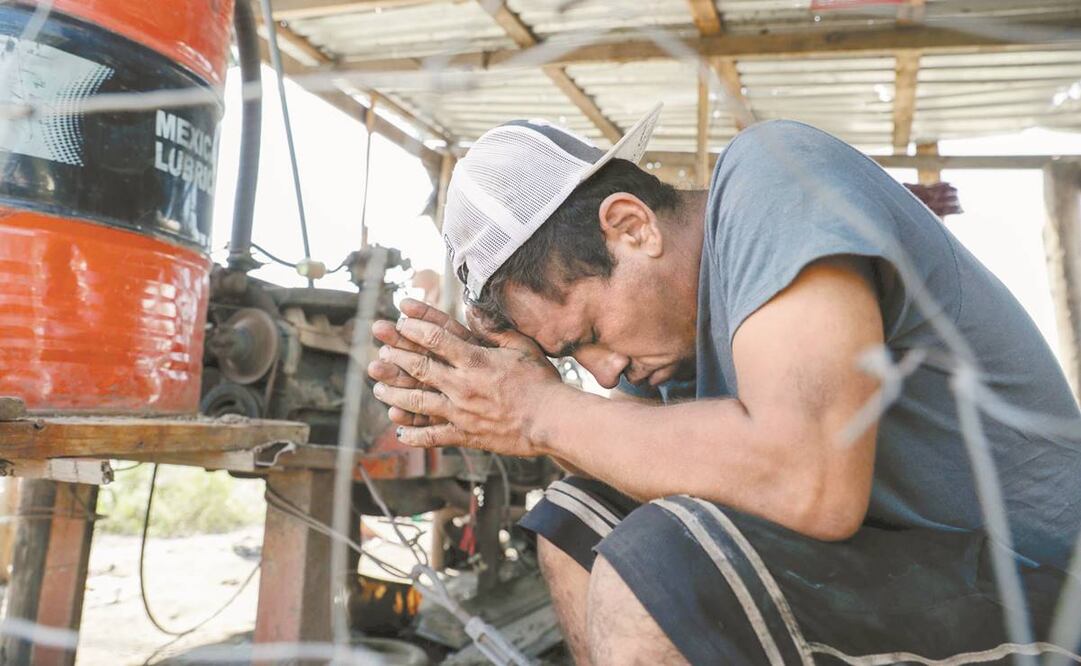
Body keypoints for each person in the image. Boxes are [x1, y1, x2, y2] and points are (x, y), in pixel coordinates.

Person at [367, 106, 1081, 664]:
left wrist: (539, 412)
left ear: (630, 226)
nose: (605, 371)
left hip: (1037, 584)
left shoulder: (776, 176)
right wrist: (506, 393)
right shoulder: (662, 349)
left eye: (588, 334)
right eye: (574, 358)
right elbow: (617, 454)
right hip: (908, 572)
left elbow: (811, 480)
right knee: (577, 518)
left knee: (662, 563)